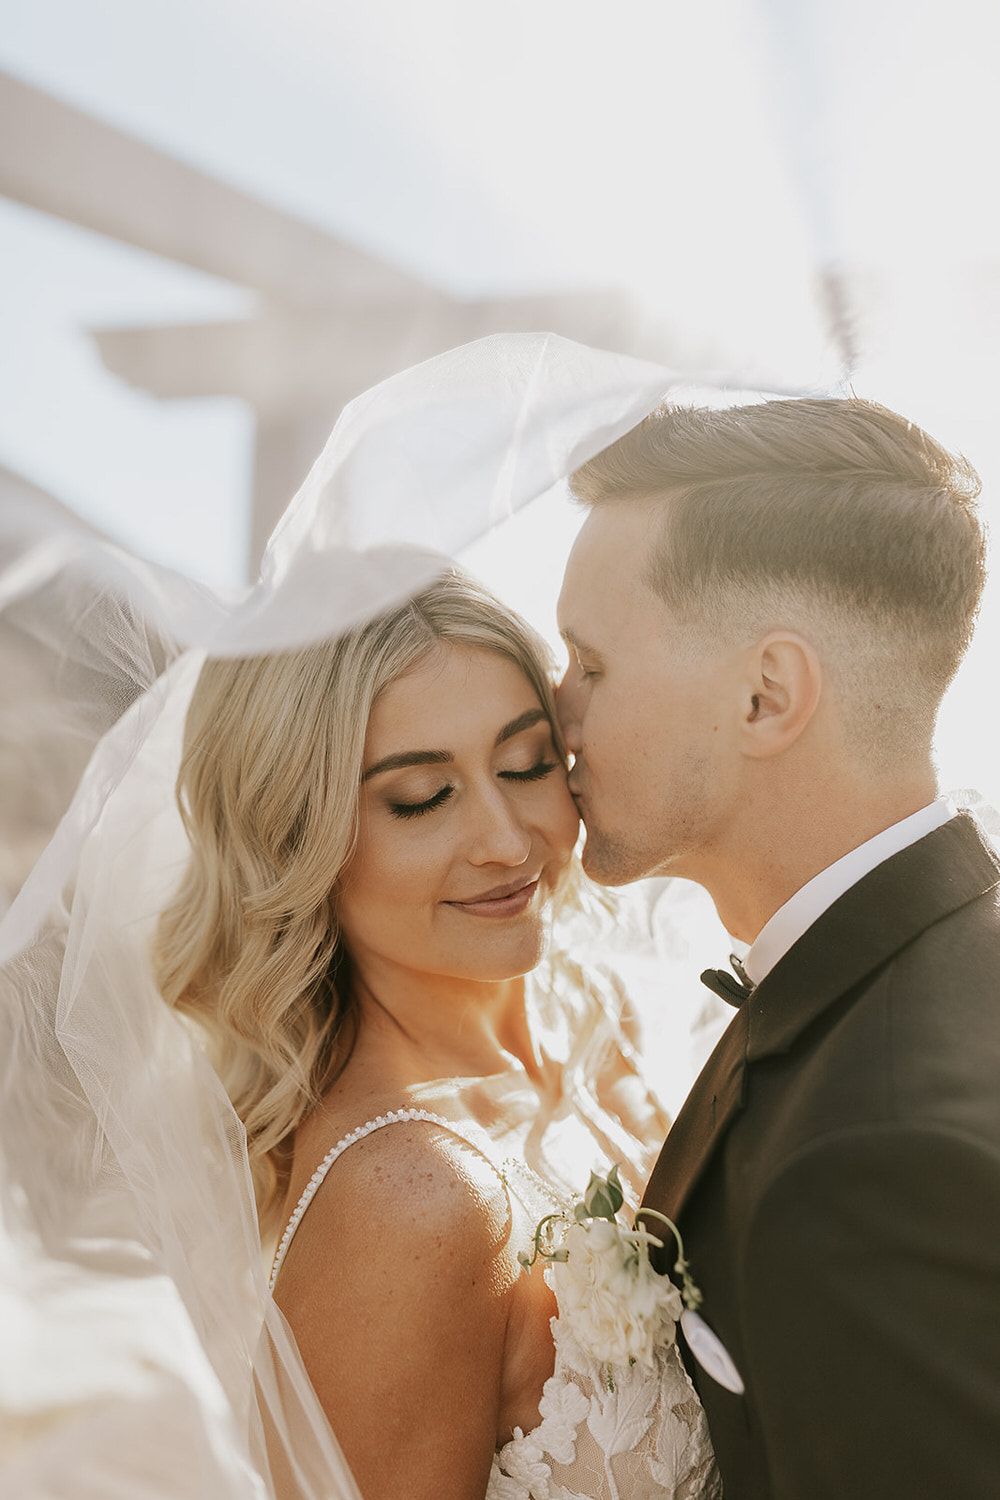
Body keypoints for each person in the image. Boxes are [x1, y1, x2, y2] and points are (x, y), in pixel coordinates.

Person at [154, 567, 719, 1500]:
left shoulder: (602, 1021)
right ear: (299, 840)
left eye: (527, 763)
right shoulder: (406, 1199)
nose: (508, 840)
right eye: (421, 797)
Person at [556, 396, 1000, 1498]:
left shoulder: (876, 1150)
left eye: (590, 665)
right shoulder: (895, 988)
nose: (549, 712)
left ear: (765, 696)